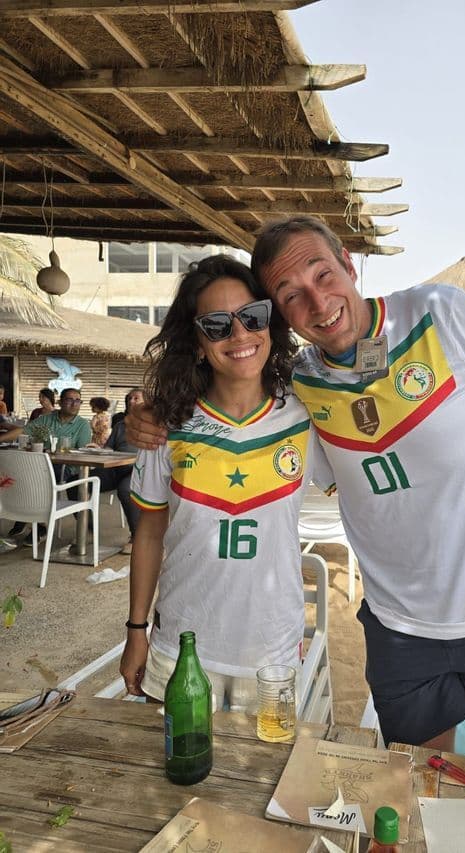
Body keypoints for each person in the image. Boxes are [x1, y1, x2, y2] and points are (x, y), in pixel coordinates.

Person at [126, 216, 465, 751]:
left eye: (323, 275)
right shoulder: (302, 387)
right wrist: (148, 412)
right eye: (291, 295)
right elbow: (224, 402)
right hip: (401, 634)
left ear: (348, 261)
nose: (317, 303)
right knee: (416, 801)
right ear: (283, 316)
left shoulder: (439, 313)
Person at [119, 255, 329, 711]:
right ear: (196, 343)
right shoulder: (164, 426)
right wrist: (136, 631)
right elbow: (149, 534)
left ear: (271, 325)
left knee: (263, 777)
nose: (239, 335)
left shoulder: (309, 413)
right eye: (216, 325)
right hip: (182, 646)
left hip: (272, 648)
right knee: (176, 774)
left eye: (253, 317)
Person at [3, 388, 92, 543]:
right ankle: (24, 514)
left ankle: (40, 525)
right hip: (39, 465)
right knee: (14, 473)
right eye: (70, 399)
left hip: (66, 468)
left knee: (40, 479)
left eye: (78, 400)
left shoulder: (82, 425)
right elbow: (23, 431)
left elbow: (81, 453)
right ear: (59, 402)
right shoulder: (46, 419)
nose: (74, 404)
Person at [90, 388, 144, 555]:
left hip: (137, 469)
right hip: (115, 467)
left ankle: (136, 538)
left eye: (136, 398)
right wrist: (96, 449)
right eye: (129, 398)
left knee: (126, 489)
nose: (131, 401)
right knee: (77, 483)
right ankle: (88, 528)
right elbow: (109, 449)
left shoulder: (152, 425)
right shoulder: (120, 425)